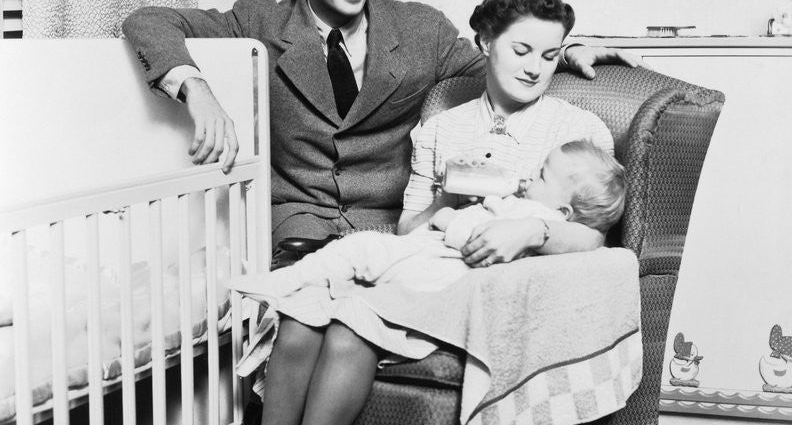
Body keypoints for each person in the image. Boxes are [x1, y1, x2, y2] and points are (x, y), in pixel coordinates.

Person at [202, 0, 626, 425]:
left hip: (493, 292)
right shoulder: (441, 129)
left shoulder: (577, 133)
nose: (536, 68)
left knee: (348, 327)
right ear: (486, 43)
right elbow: (411, 229)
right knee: (299, 316)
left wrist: (530, 230)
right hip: (428, 259)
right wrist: (449, 201)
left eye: (551, 54)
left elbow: (594, 239)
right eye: (521, 50)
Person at [122, 0, 635, 248]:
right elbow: (148, 20)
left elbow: (501, 59)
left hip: (387, 230)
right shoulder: (261, 20)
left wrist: (566, 50)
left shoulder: (421, 30)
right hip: (295, 226)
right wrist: (197, 90)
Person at [233, 139, 626, 304]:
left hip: (446, 270)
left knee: (358, 249)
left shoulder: (538, 216)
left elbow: (479, 239)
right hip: (430, 256)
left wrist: (449, 218)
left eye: (541, 176)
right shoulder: (527, 206)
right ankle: (295, 285)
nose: (529, 178)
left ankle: (284, 284)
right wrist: (453, 196)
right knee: (359, 258)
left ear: (564, 213)